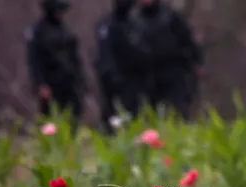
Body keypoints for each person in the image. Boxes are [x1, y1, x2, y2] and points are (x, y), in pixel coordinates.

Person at [131, 0, 203, 120]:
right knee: (153, 112)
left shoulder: (170, 16)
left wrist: (197, 62)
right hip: (149, 75)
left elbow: (187, 39)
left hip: (174, 70)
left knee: (178, 110)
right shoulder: (135, 21)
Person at [26, 0, 85, 132]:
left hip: (69, 81)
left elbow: (75, 57)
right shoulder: (38, 31)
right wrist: (40, 84)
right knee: (50, 119)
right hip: (50, 82)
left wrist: (82, 80)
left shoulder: (65, 29)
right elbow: (34, 60)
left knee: (75, 115)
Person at [94, 0, 140, 133]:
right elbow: (105, 52)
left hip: (132, 78)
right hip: (112, 79)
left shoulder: (135, 24)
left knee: (131, 113)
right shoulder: (107, 25)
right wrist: (110, 74)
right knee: (111, 114)